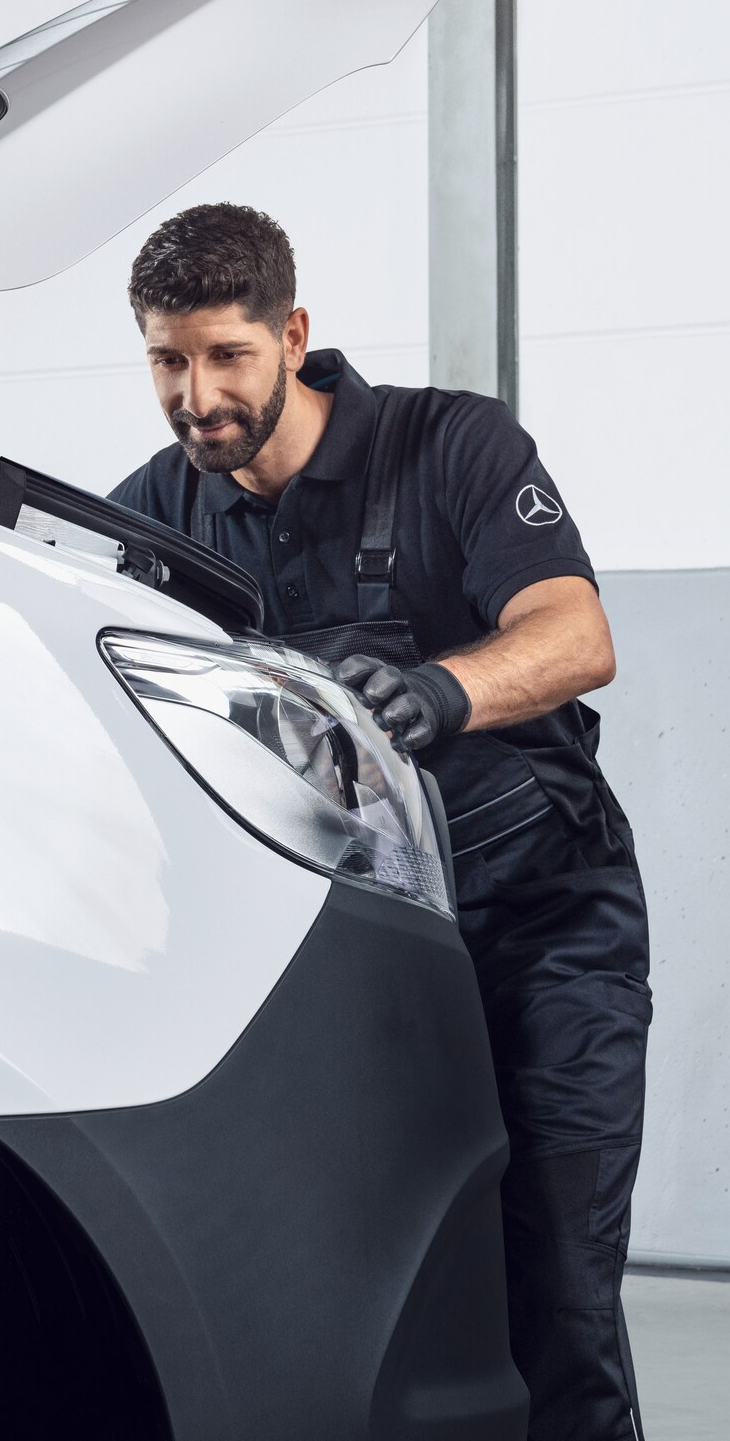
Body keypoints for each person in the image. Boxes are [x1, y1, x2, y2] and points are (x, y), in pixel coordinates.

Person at [110, 201, 651, 1441]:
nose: (196, 395)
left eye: (225, 356)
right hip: (341, 964)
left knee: (559, 1283)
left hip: (543, 934)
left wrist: (441, 690)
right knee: (361, 1290)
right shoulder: (153, 512)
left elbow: (578, 638)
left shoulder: (450, 447)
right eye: (166, 360)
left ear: (291, 334)